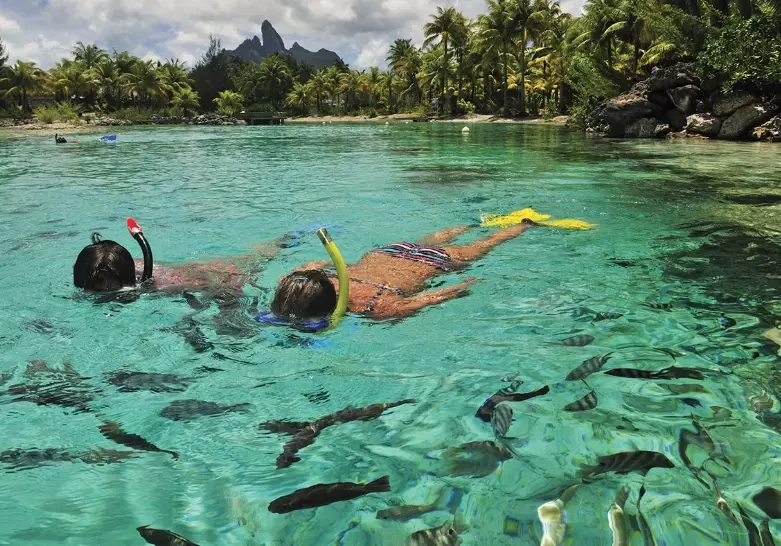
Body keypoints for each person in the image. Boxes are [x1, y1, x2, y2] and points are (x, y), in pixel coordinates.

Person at [271, 221, 535, 321]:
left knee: (487, 244)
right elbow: (311, 265)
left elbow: (433, 297)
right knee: (430, 239)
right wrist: (328, 265)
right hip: (386, 253)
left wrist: (466, 285)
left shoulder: (377, 308)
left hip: (432, 263)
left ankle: (525, 225)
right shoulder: (315, 283)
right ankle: (471, 223)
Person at [73, 232, 280, 294]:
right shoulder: (108, 268)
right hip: (193, 267)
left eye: (106, 289)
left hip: (223, 274)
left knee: (261, 257)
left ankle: (285, 240)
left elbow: (220, 286)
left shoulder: (162, 286)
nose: (99, 292)